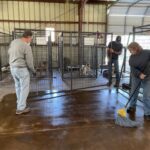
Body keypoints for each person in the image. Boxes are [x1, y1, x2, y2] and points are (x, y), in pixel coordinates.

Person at [8, 30, 36, 115]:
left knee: (18, 86)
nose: (31, 40)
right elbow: (29, 61)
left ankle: (19, 102)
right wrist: (33, 70)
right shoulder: (26, 46)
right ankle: (21, 108)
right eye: (31, 38)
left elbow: (9, 52)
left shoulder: (14, 42)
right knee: (24, 88)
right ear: (28, 37)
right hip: (21, 69)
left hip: (12, 68)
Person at [127, 42, 150, 120]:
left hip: (148, 77)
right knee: (133, 91)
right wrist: (139, 74)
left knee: (146, 95)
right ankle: (132, 106)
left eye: (131, 50)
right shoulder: (132, 58)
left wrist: (146, 73)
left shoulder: (147, 53)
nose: (130, 52)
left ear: (135, 48)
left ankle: (147, 113)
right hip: (136, 76)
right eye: (129, 50)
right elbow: (132, 68)